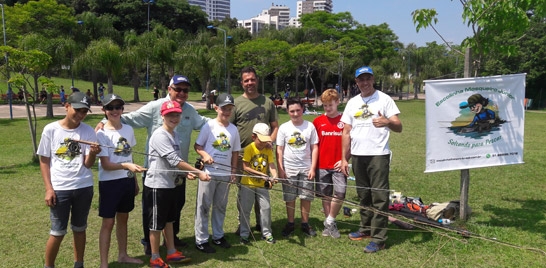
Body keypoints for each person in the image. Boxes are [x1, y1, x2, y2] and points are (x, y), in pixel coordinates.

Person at [96, 74, 208, 254]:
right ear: (169, 89)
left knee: (176, 205)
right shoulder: (155, 107)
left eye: (185, 90)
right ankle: (150, 243)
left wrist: (223, 123)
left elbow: (204, 123)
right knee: (153, 209)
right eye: (177, 89)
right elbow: (129, 118)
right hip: (157, 171)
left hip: (179, 170)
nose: (181, 93)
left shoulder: (189, 110)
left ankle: (171, 240)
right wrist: (104, 121)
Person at [340, 66, 402, 253]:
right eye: (361, 79)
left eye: (368, 78)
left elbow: (399, 126)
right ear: (356, 82)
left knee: (379, 196)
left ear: (373, 79)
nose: (364, 82)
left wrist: (388, 122)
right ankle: (366, 229)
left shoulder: (384, 99)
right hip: (358, 155)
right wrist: (344, 158)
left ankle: (379, 238)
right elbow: (346, 131)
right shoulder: (352, 102)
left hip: (378, 154)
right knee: (364, 195)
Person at [36, 92, 101, 268]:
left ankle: (79, 264)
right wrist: (49, 189)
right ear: (66, 106)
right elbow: (44, 160)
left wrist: (93, 154)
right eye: (77, 110)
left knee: (80, 229)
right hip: (60, 188)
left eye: (84, 112)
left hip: (83, 186)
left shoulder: (87, 131)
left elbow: (87, 164)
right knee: (57, 232)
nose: (80, 115)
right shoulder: (51, 130)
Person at [145, 100, 211, 267]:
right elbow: (174, 160)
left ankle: (171, 251)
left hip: (170, 185)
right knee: (156, 224)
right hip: (157, 185)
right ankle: (154, 257)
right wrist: (198, 172)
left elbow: (176, 162)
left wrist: (185, 172)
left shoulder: (174, 135)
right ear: (162, 116)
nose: (174, 118)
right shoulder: (160, 135)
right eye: (170, 115)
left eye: (176, 114)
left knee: (169, 220)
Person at [96, 94, 146, 267]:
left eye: (118, 107)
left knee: (123, 219)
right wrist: (126, 166)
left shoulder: (128, 130)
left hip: (127, 181)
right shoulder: (101, 134)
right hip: (110, 183)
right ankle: (104, 263)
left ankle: (123, 255)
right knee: (108, 222)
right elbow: (106, 165)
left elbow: (129, 156)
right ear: (104, 111)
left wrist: (134, 181)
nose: (115, 111)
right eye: (110, 108)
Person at [230, 66, 279, 235]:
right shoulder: (236, 103)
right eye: (246, 80)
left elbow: (275, 126)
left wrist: (269, 142)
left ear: (257, 80)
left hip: (262, 156)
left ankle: (261, 223)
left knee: (261, 188)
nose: (250, 83)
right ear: (242, 83)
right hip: (242, 155)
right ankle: (242, 223)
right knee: (243, 192)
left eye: (252, 79)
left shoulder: (267, 102)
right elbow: (230, 128)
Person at [194, 93, 240, 253]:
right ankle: (201, 239)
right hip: (208, 173)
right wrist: (205, 155)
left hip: (225, 174)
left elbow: (235, 152)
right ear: (216, 108)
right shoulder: (209, 126)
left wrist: (233, 171)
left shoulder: (234, 129)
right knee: (204, 206)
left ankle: (218, 236)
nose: (226, 112)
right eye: (223, 109)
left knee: (220, 206)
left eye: (229, 109)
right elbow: (198, 146)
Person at [276, 97, 319, 237]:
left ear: (303, 110)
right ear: (288, 111)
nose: (295, 114)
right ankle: (290, 223)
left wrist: (313, 168)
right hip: (289, 169)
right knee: (290, 197)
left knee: (306, 197)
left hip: (306, 168)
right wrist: (280, 169)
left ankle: (305, 223)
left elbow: (314, 147)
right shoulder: (284, 128)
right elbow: (279, 150)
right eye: (292, 111)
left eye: (298, 110)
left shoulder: (310, 126)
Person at [312, 89, 347, 239]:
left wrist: (345, 159)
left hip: (339, 165)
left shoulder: (345, 121)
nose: (327, 108)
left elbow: (350, 143)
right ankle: (329, 225)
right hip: (321, 165)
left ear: (338, 102)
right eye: (325, 105)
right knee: (325, 195)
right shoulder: (318, 122)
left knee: (340, 193)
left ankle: (330, 219)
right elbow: (314, 145)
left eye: (330, 105)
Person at [239, 123, 278, 244]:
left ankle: (267, 233)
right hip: (248, 184)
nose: (263, 144)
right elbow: (245, 167)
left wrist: (275, 175)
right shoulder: (249, 148)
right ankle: (244, 233)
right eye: (261, 141)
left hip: (262, 185)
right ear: (253, 137)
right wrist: (261, 174)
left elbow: (271, 164)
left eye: (265, 140)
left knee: (266, 208)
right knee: (245, 209)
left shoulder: (268, 148)